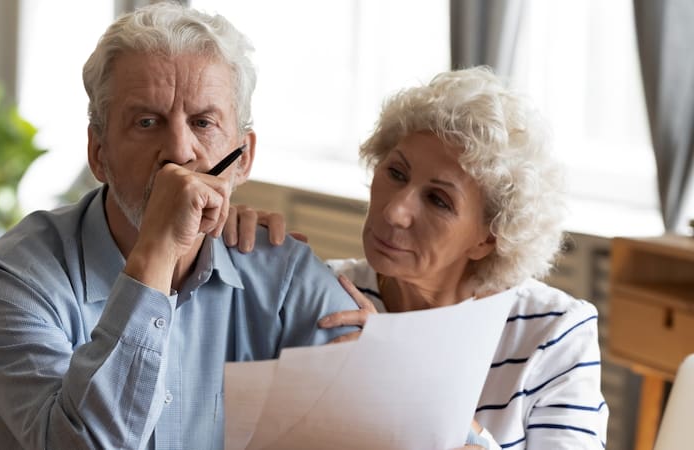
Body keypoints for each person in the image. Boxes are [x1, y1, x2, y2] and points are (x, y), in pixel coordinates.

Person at [0, 3, 358, 449]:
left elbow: (375, 423)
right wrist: (159, 249)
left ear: (243, 157)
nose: (178, 150)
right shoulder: (8, 281)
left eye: (203, 122)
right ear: (99, 154)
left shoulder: (283, 274)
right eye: (147, 122)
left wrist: (382, 357)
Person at [235, 66, 609, 449]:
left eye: (438, 200)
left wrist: (410, 380)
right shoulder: (323, 296)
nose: (395, 211)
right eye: (396, 173)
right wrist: (231, 249)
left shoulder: (552, 332)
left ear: (488, 237)